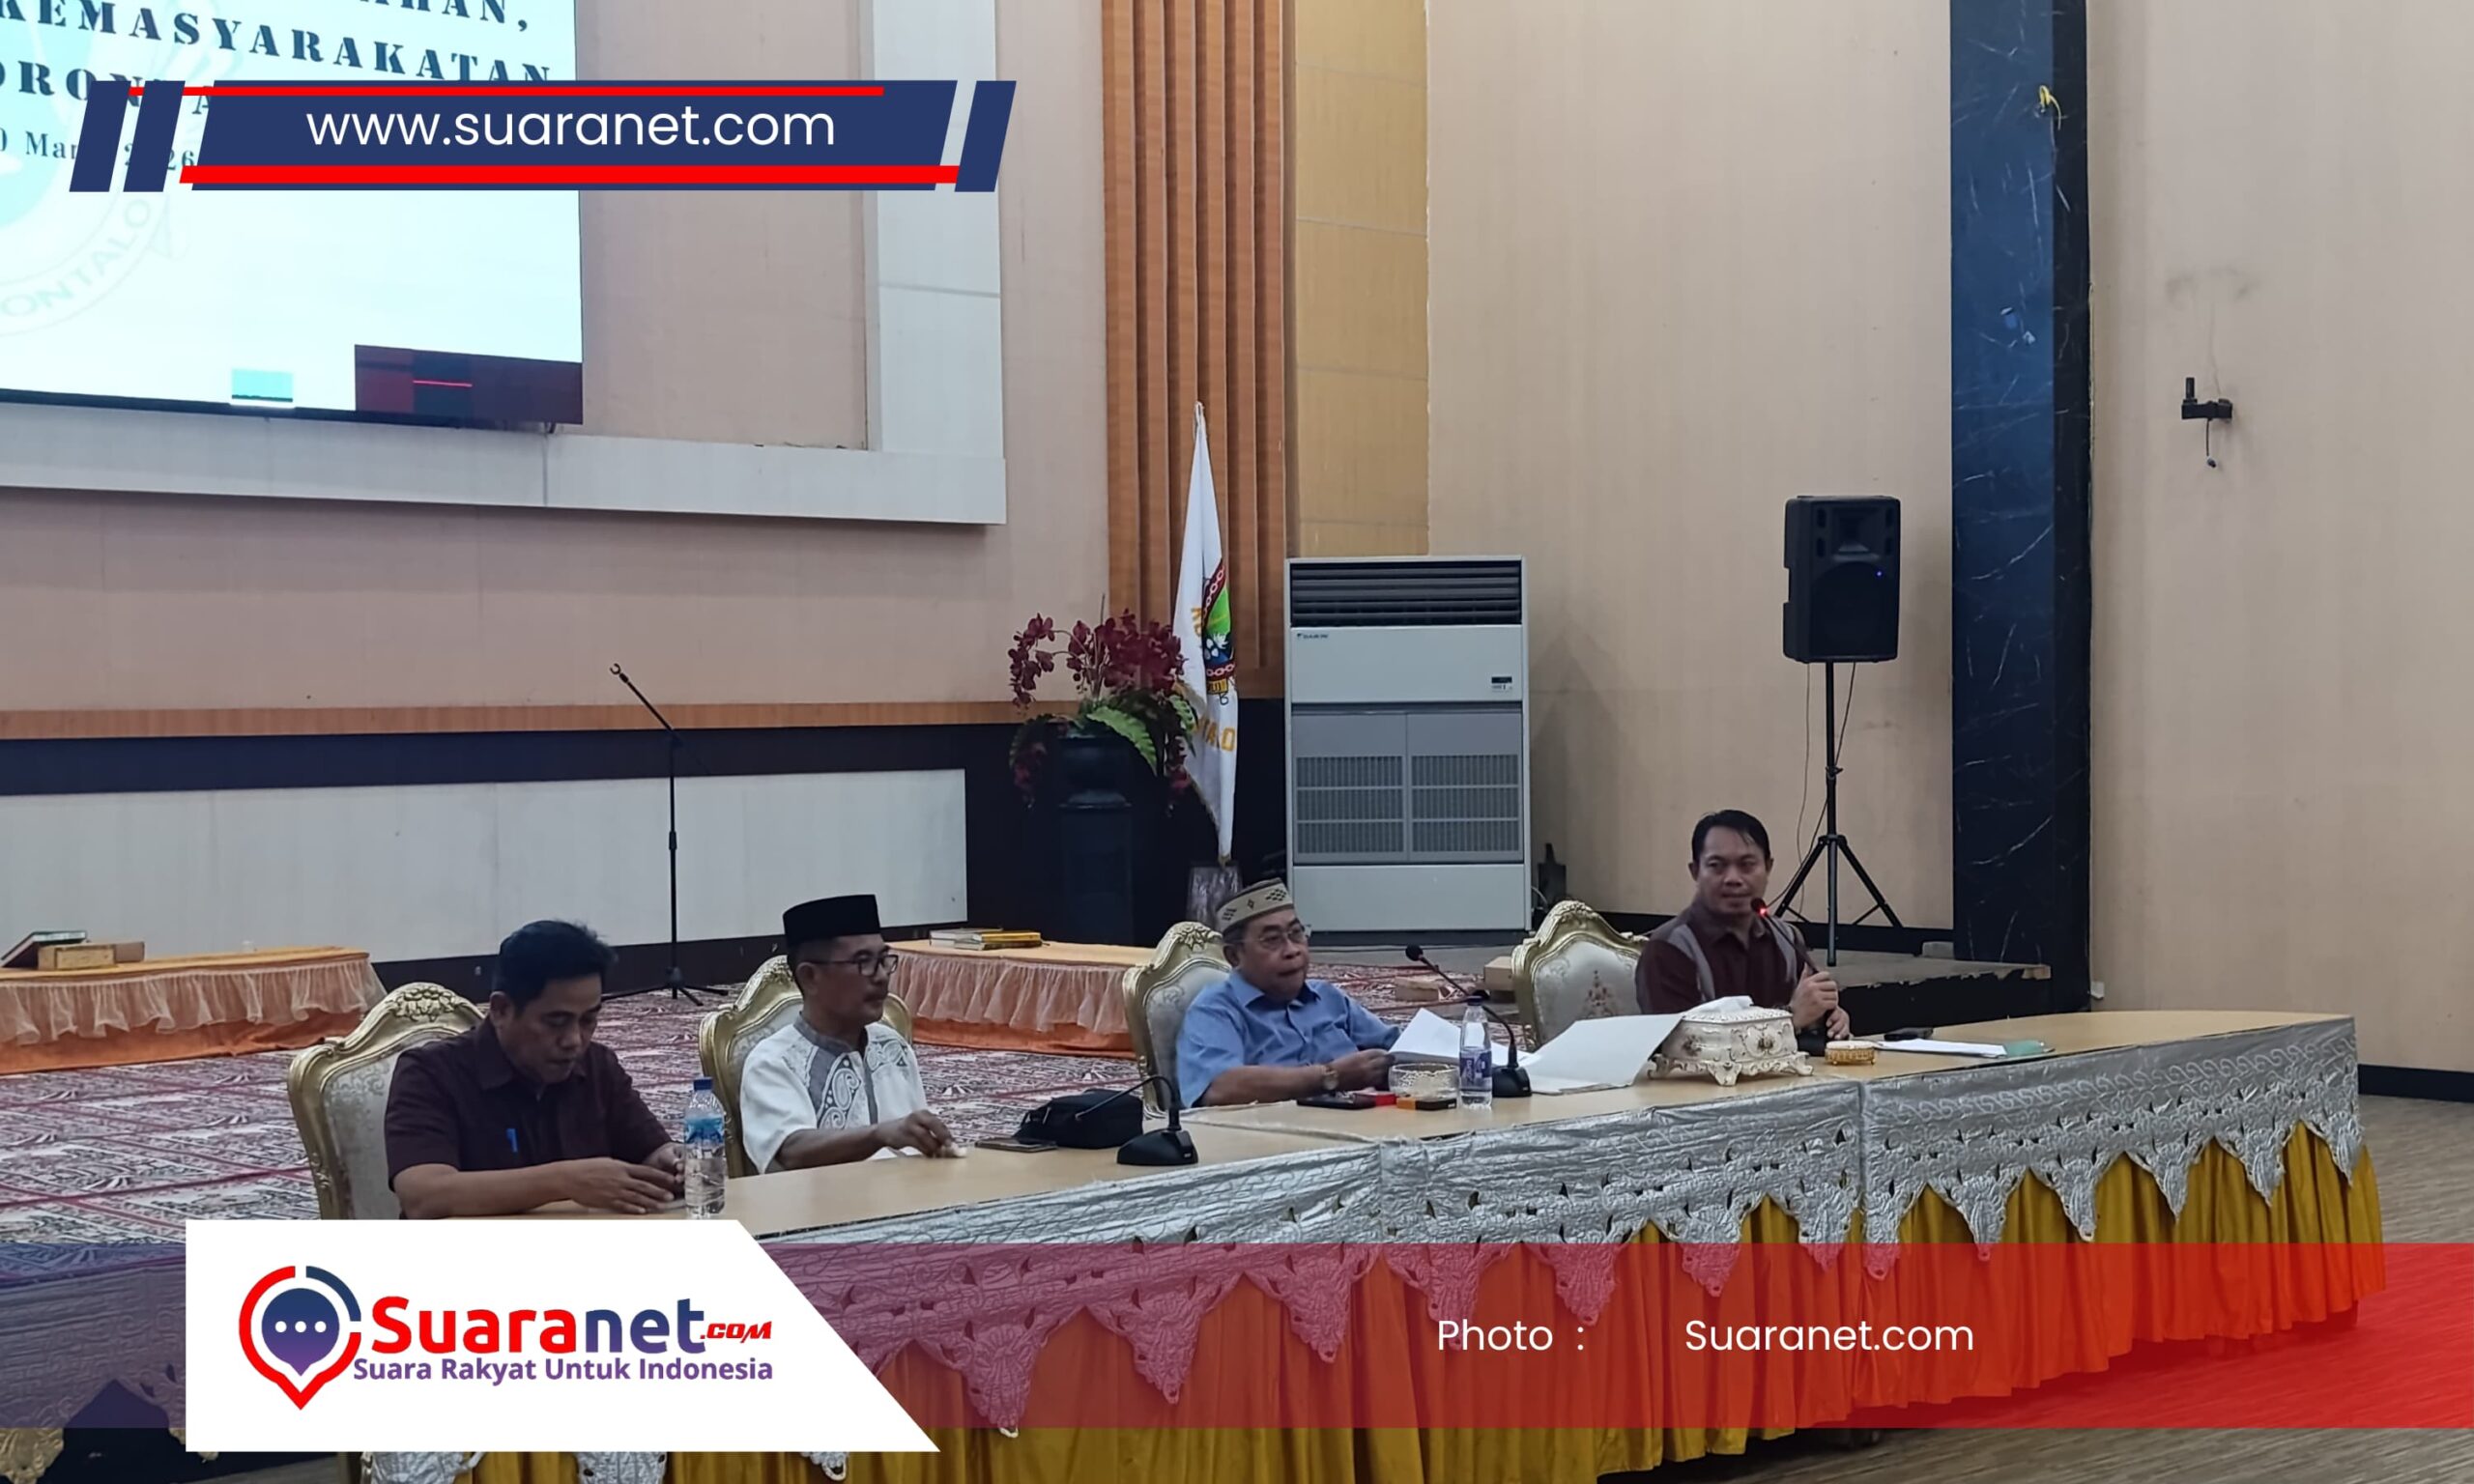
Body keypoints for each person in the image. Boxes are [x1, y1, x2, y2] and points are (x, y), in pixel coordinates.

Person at [386, 920, 681, 1219]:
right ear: (501, 1010)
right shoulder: (431, 1073)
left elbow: (651, 1151)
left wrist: (669, 1162)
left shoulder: (596, 1065)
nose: (574, 1040)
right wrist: (565, 1181)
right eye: (556, 1022)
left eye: (588, 1020)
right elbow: (423, 1195)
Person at [737, 893, 957, 1170]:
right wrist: (879, 1135)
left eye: (883, 960)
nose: (881, 976)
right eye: (863, 962)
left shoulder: (892, 1046)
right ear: (810, 977)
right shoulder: (773, 1062)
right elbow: (790, 1151)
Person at [1177, 880, 1399, 1107]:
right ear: (1234, 956)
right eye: (1272, 940)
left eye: (1296, 933)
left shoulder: (1328, 997)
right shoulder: (1215, 1010)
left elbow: (1399, 1047)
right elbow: (1219, 1088)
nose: (1292, 950)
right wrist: (1329, 1077)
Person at [1635, 809, 1850, 1039]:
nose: (1733, 879)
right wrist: (1789, 1019)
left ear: (1768, 867)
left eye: (1747, 865)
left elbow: (1807, 1015)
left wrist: (1827, 1019)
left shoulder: (1786, 937)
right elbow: (1680, 1043)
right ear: (1695, 871)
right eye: (1717, 866)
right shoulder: (1669, 948)